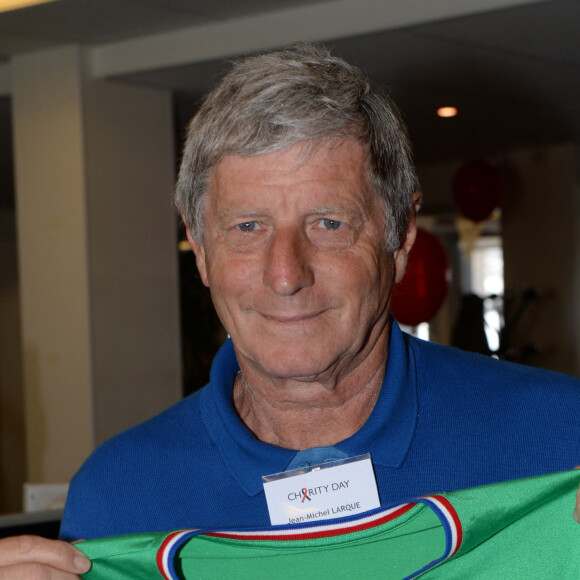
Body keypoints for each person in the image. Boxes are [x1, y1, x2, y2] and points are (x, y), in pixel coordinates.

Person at [0, 43, 578, 578]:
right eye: (247, 227)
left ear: (400, 238)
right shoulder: (116, 497)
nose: (285, 274)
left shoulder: (562, 443)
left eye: (328, 224)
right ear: (200, 250)